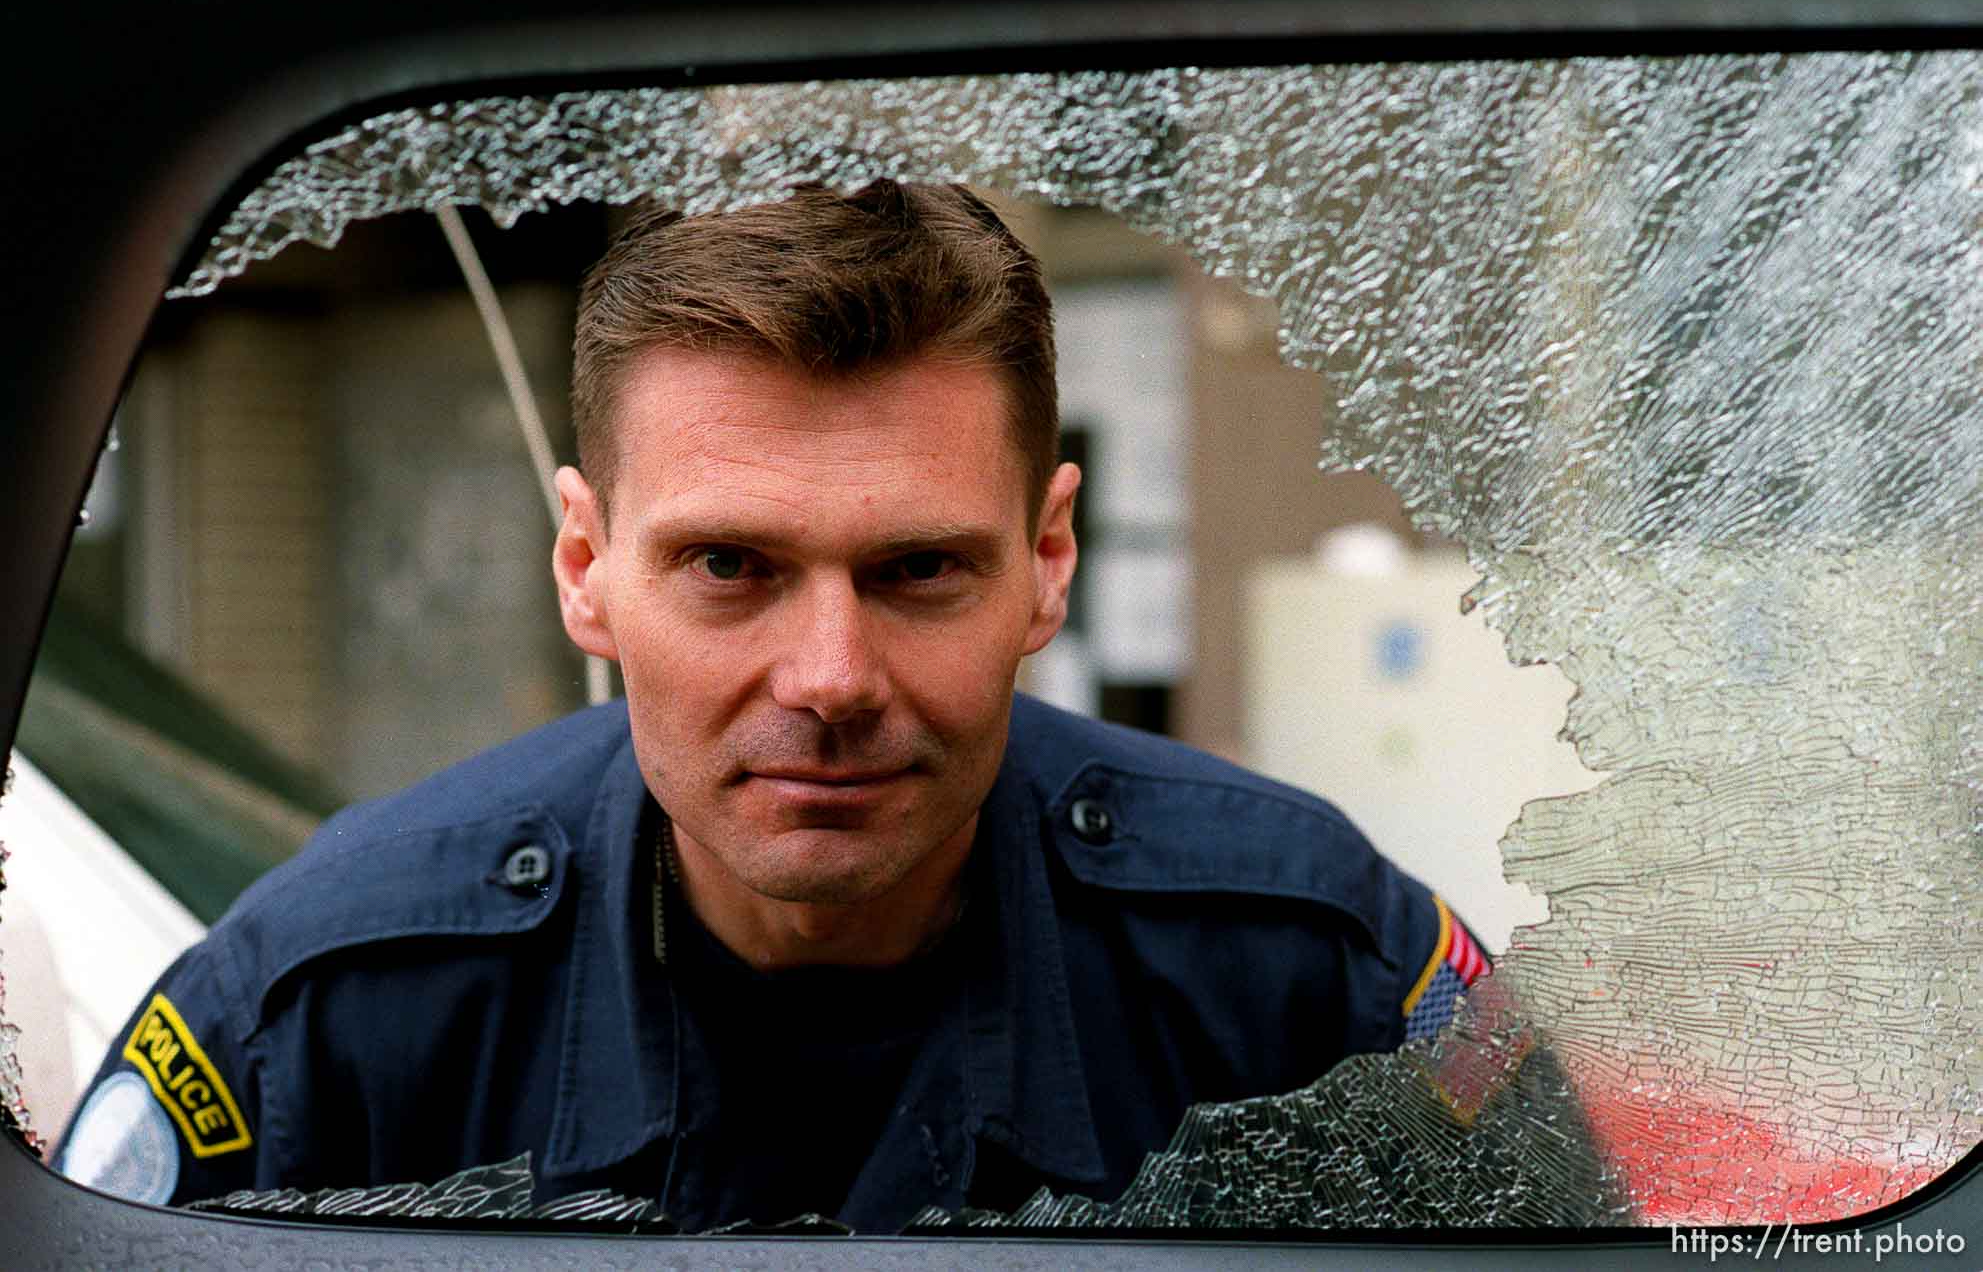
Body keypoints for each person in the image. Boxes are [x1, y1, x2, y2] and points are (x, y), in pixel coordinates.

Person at [54, 181, 1491, 1232]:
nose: (830, 680)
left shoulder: (1309, 974)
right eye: (730, 566)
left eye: (919, 568)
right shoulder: (332, 1023)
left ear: (1047, 562)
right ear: (584, 567)